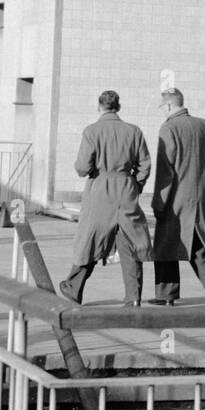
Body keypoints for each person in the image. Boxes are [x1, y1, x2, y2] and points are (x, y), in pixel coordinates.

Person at [59, 90, 153, 306]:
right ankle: (134, 297)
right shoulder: (134, 131)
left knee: (92, 239)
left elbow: (82, 168)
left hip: (100, 189)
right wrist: (136, 184)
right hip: (126, 187)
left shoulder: (92, 131)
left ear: (99, 107)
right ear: (118, 107)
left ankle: (74, 288)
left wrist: (92, 170)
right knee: (129, 242)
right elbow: (145, 164)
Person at [151, 88, 205, 306]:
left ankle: (166, 294)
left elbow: (165, 171)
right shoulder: (204, 126)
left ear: (168, 106)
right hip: (199, 195)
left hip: (175, 198)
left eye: (162, 108)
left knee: (165, 245)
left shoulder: (169, 128)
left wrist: (158, 201)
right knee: (194, 240)